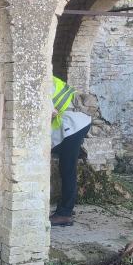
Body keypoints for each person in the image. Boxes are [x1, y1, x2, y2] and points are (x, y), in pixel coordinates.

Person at [50, 76, 93, 226]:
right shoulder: (50, 78)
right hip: (79, 121)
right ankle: (67, 207)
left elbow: (50, 112)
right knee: (66, 165)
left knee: (67, 169)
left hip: (74, 125)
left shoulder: (39, 80)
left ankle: (65, 213)